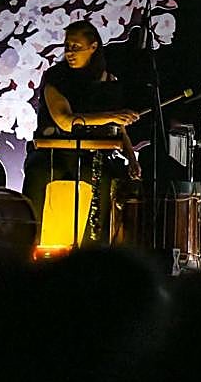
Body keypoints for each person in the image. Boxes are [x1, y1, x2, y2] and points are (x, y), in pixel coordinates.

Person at [21, 21, 140, 238]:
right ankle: (31, 243)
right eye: (67, 46)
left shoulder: (108, 80)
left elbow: (119, 129)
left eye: (76, 47)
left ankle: (90, 248)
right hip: (52, 152)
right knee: (40, 173)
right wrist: (111, 115)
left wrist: (132, 158)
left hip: (91, 154)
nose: (69, 52)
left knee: (102, 179)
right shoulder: (55, 78)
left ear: (93, 47)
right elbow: (65, 121)